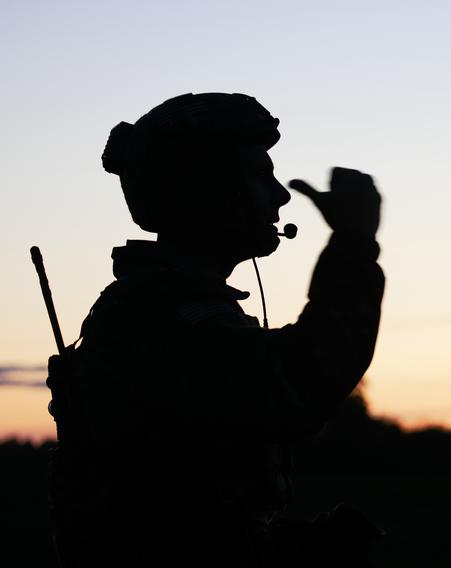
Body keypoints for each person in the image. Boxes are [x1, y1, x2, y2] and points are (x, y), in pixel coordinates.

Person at [47, 93, 384, 566]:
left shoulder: (174, 307)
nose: (280, 194)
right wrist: (352, 245)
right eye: (259, 173)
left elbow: (201, 503)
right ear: (209, 188)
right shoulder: (158, 315)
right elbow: (296, 383)